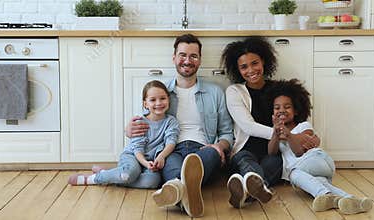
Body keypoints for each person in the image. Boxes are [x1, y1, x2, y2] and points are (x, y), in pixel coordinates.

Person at [126, 34, 233, 217]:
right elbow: (145, 122)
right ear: (174, 58)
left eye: (193, 56)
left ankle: (177, 191)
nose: (187, 61)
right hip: (171, 150)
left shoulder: (215, 92)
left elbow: (226, 132)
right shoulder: (161, 92)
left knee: (210, 155)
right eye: (182, 55)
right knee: (173, 169)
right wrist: (129, 130)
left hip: (203, 149)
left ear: (199, 60)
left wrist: (219, 146)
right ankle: (189, 194)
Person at [221, 36, 319, 208]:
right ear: (237, 70)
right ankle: (259, 188)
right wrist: (286, 135)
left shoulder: (278, 89)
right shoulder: (234, 91)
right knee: (246, 162)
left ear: (264, 62)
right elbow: (247, 126)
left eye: (254, 63)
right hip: (245, 150)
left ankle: (247, 192)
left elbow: (295, 119)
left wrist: (308, 136)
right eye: (244, 67)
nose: (251, 70)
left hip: (273, 151)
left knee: (274, 164)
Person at [267, 78, 373, 214]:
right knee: (320, 182)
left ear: (296, 111)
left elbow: (299, 151)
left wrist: (288, 135)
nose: (282, 110)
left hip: (317, 160)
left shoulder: (303, 126)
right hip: (312, 171)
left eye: (287, 107)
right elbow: (271, 152)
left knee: (294, 174)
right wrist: (275, 134)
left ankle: (323, 195)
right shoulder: (276, 131)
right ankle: (351, 200)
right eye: (277, 108)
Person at [68, 80, 179, 189]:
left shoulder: (171, 121)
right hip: (134, 156)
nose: (158, 103)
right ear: (145, 104)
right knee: (129, 173)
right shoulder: (140, 122)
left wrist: (161, 156)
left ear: (168, 100)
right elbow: (137, 149)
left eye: (162, 98)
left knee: (153, 182)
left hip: (151, 161)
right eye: (153, 100)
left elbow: (171, 141)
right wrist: (145, 163)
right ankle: (94, 179)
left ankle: (110, 174)